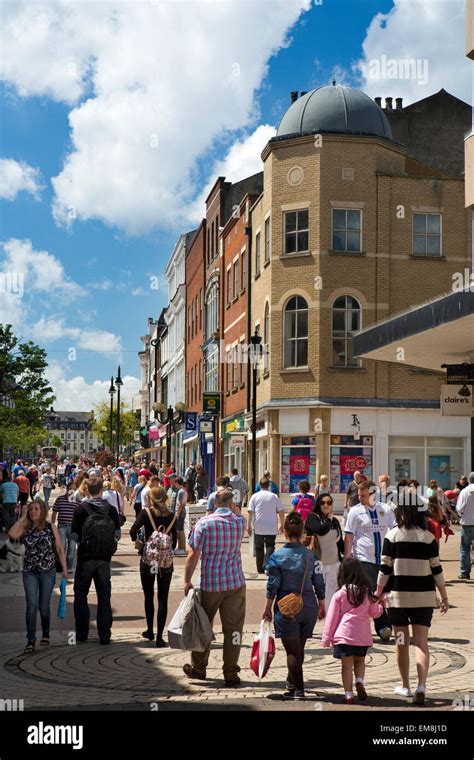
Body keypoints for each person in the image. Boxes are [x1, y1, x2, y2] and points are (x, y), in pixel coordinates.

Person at [375, 500, 449, 705]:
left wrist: (377, 592)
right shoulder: (428, 538)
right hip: (424, 597)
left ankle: (405, 685)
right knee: (421, 643)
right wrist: (444, 596)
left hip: (397, 599)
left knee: (401, 642)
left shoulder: (392, 536)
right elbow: (437, 568)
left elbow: (385, 568)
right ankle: (422, 685)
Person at [183, 489, 246, 687]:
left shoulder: (205, 523)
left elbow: (193, 554)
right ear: (231, 503)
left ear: (215, 503)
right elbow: (237, 514)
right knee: (234, 630)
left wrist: (187, 580)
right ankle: (231, 671)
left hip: (211, 583)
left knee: (203, 625)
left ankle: (199, 668)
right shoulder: (239, 522)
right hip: (235, 582)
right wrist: (235, 509)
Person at [263, 512, 325, 700]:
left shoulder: (277, 556)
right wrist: (322, 604)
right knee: (299, 649)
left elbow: (272, 585)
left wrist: (267, 609)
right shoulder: (311, 556)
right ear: (302, 532)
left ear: (284, 533)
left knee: (292, 652)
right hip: (308, 606)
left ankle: (298, 690)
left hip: (286, 607)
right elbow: (319, 582)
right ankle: (292, 683)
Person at [9, 499, 67, 654]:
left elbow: (60, 550)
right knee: (31, 606)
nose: (33, 512)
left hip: (48, 572)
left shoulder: (50, 527)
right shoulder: (25, 528)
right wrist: (22, 516)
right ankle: (31, 641)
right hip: (30, 572)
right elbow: (12, 533)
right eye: (31, 510)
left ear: (42, 511)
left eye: (36, 509)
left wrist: (65, 570)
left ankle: (46, 632)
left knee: (43, 606)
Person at [322, 558, 383, 704]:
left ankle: (348, 695)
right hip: (362, 635)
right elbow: (375, 612)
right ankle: (360, 681)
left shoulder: (340, 594)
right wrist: (381, 605)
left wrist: (326, 637)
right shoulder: (366, 593)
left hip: (344, 636)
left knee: (346, 666)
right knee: (360, 661)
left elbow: (332, 618)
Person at [71, 476, 121, 644]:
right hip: (104, 560)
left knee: (80, 595)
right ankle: (104, 634)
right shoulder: (111, 510)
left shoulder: (80, 509)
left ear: (87, 490)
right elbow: (117, 535)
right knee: (104, 597)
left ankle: (81, 633)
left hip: (85, 558)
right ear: (101, 490)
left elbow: (74, 535)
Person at [344, 479, 396, 642]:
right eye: (359, 495)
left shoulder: (386, 509)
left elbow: (395, 530)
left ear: (373, 494)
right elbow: (349, 535)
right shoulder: (355, 511)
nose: (360, 498)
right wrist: (347, 558)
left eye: (364, 495)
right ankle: (382, 626)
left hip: (385, 559)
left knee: (387, 593)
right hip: (364, 560)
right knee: (373, 592)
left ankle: (389, 622)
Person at [130, 486, 177, 647]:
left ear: (151, 499)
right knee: (163, 598)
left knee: (148, 596)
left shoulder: (146, 513)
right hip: (165, 562)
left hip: (149, 560)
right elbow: (175, 541)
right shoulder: (172, 516)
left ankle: (149, 630)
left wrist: (140, 543)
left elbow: (132, 530)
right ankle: (159, 637)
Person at [306, 493, 344, 609]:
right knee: (318, 592)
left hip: (334, 563)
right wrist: (328, 519)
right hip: (318, 564)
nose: (326, 505)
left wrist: (347, 556)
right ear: (318, 504)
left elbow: (340, 542)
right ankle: (317, 614)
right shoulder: (313, 517)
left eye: (329, 503)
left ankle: (330, 618)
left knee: (333, 593)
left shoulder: (335, 522)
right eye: (323, 503)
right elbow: (321, 530)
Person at [247, 478, 285, 574]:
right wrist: (282, 524)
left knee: (258, 547)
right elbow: (281, 511)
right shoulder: (274, 496)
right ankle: (267, 563)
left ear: (260, 485)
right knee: (270, 546)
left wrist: (248, 526)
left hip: (259, 525)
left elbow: (250, 512)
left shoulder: (254, 496)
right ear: (269, 486)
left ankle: (260, 568)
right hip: (271, 526)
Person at [51, 483, 79, 575]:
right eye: (71, 489)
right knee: (61, 546)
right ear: (67, 489)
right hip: (62, 526)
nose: (72, 491)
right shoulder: (60, 499)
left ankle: (69, 567)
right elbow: (54, 512)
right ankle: (61, 566)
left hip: (73, 527)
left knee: (71, 548)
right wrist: (52, 525)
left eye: (74, 489)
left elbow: (80, 515)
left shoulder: (77, 501)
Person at [456, 472, 474, 579]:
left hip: (467, 524)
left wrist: (462, 514)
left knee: (465, 549)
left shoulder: (465, 491)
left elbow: (459, 508)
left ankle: (465, 572)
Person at [173, 476, 188, 556]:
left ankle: (182, 548)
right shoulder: (183, 491)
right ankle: (181, 547)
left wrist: (177, 514)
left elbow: (181, 504)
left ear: (177, 483)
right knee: (180, 530)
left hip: (180, 513)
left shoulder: (181, 491)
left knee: (179, 531)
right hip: (182, 512)